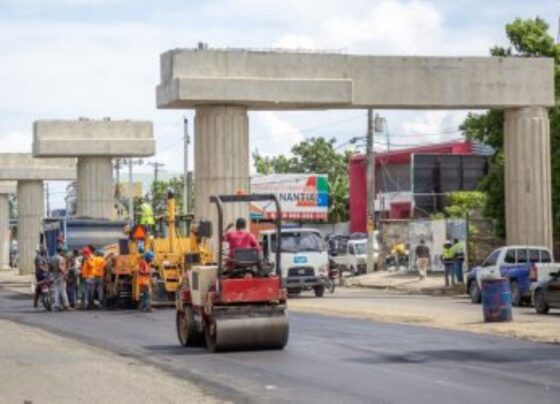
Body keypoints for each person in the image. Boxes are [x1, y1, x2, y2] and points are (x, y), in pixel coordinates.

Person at [51, 247, 70, 311]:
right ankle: (66, 304)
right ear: (60, 251)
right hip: (61, 276)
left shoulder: (53, 258)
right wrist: (64, 274)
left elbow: (50, 267)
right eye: (63, 251)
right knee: (63, 291)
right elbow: (60, 267)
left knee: (56, 290)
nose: (64, 253)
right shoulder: (60, 258)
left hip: (55, 275)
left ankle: (56, 304)